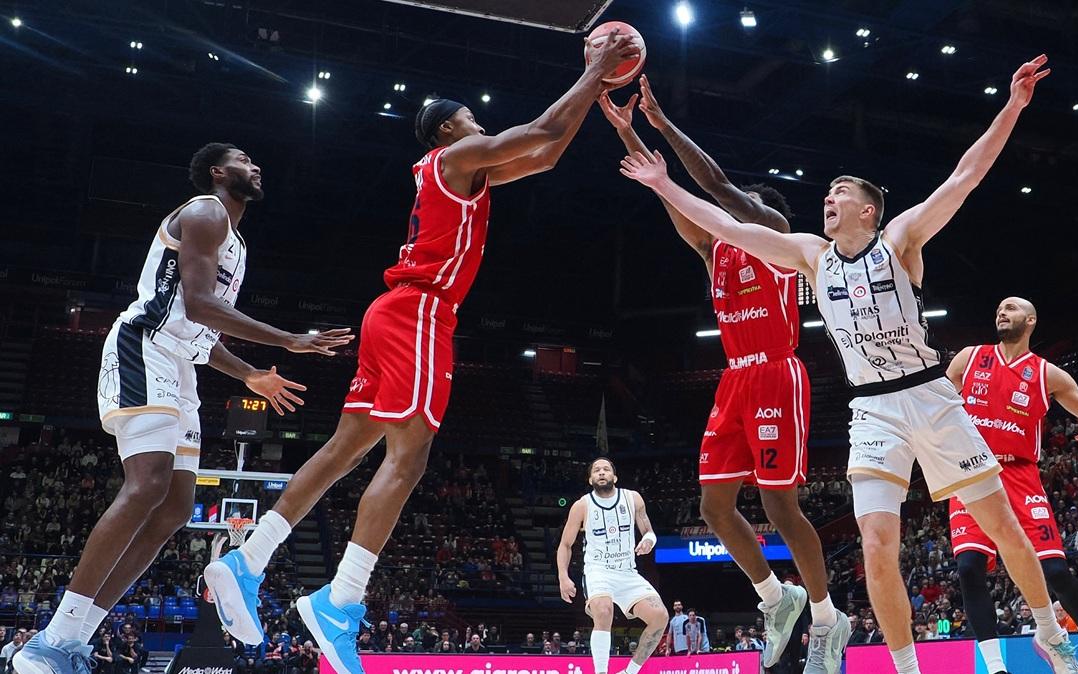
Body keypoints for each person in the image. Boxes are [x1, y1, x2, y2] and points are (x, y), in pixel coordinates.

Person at [620, 55, 1078, 674]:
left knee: (1000, 523)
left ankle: (1048, 630)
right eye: (828, 194)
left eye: (841, 193)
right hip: (871, 408)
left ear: (868, 210)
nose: (829, 199)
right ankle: (905, 666)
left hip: (929, 395)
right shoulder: (811, 256)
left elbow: (965, 175)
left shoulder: (900, 240)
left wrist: (1013, 106)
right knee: (876, 542)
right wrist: (661, 184)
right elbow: (724, 225)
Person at [203, 31, 639, 674]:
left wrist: (595, 89)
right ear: (446, 131)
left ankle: (250, 558)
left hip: (395, 313)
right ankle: (341, 600)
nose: (480, 125)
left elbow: (545, 153)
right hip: (420, 314)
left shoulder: (464, 172)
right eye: (469, 120)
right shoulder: (456, 160)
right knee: (407, 459)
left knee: (344, 448)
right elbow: (543, 126)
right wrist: (596, 69)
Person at [15, 144, 344, 674]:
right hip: (143, 347)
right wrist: (285, 340)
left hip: (180, 365)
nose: (255, 165)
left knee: (173, 509)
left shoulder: (234, 240)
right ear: (218, 172)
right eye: (243, 159)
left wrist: (249, 374)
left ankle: (72, 640)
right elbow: (195, 304)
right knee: (146, 485)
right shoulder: (205, 211)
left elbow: (200, 331)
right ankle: (47, 640)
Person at [600, 78, 851, 672]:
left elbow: (713, 185)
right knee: (714, 507)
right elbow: (674, 196)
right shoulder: (715, 252)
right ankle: (776, 598)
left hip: (776, 374)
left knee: (781, 507)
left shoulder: (782, 240)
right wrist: (625, 129)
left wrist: (662, 122)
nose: (722, 219)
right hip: (734, 378)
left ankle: (826, 617)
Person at [943, 296, 1078, 674]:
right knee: (969, 566)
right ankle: (995, 667)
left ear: (1031, 320)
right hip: (972, 472)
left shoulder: (1047, 374)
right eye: (998, 309)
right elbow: (934, 408)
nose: (1001, 312)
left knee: (1055, 571)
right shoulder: (969, 358)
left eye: (1009, 308)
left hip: (1020, 476)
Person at [556, 459, 669, 674]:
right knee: (603, 610)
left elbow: (649, 531)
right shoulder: (582, 505)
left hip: (627, 572)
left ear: (614, 477)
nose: (601, 473)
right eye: (596, 470)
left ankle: (629, 672)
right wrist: (563, 576)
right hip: (598, 571)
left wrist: (649, 541)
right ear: (590, 479)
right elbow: (565, 544)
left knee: (660, 616)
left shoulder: (633, 498)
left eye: (606, 469)